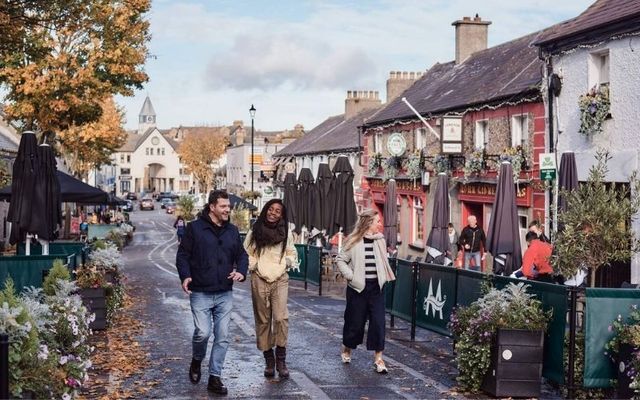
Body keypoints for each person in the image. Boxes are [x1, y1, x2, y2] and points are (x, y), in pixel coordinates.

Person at [176, 190, 249, 395]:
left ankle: (215, 377)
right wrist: (185, 276)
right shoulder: (194, 229)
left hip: (224, 292)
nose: (228, 209)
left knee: (223, 336)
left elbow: (242, 255)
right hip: (200, 291)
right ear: (212, 207)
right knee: (203, 333)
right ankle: (197, 360)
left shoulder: (233, 231)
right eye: (224, 206)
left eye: (228, 206)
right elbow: (183, 255)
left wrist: (241, 272)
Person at [336, 209, 396, 374]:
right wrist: (351, 277)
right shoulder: (353, 240)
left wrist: (383, 279)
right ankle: (347, 348)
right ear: (368, 223)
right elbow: (340, 260)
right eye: (377, 221)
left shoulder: (380, 240)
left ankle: (378, 359)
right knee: (354, 323)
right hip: (357, 289)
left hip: (376, 288)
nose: (380, 224)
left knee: (378, 323)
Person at [243, 199, 297, 379]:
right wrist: (255, 266)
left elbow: (292, 253)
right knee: (263, 319)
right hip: (259, 278)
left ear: (282, 215)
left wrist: (285, 263)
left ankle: (281, 359)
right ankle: (269, 360)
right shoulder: (255, 230)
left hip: (280, 278)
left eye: (277, 211)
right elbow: (247, 252)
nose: (273, 213)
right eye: (271, 209)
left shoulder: (286, 232)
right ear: (266, 210)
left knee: (281, 318)